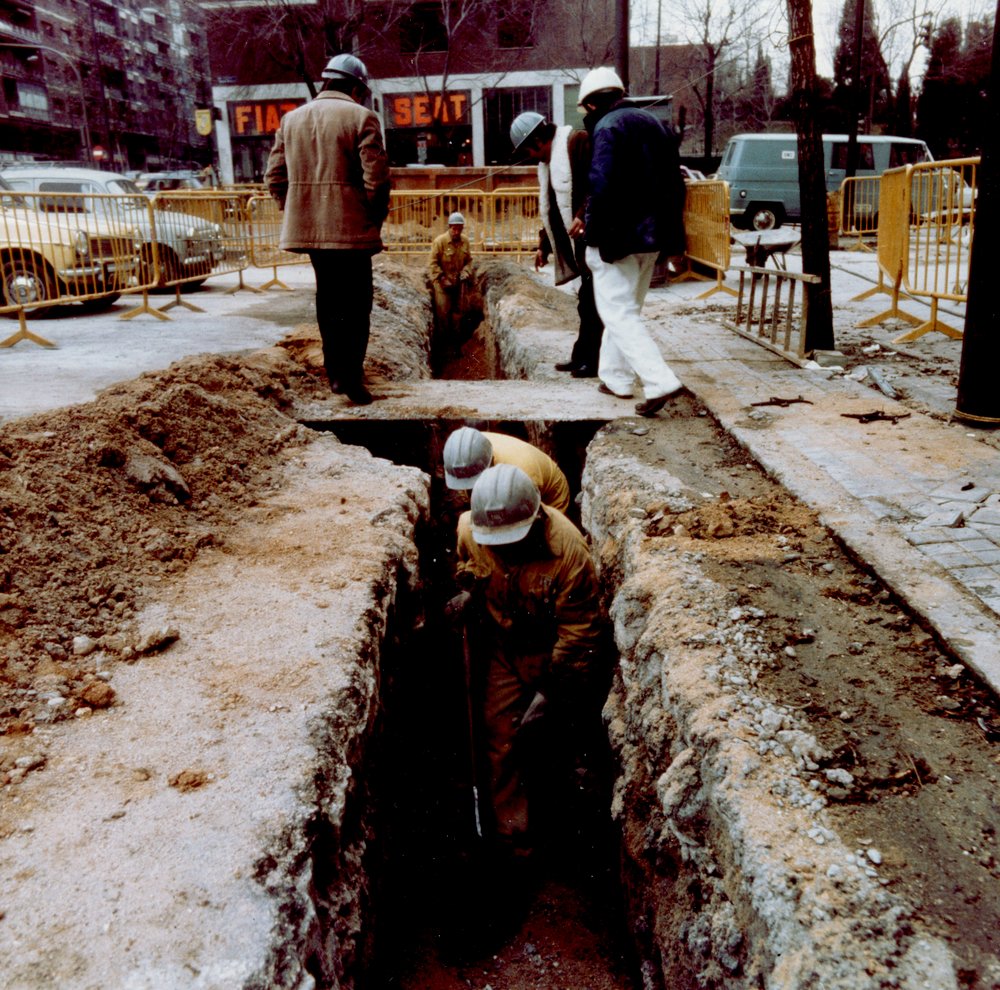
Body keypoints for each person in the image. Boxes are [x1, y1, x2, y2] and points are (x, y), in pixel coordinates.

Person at [452, 464, 606, 861]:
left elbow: (579, 632)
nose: (503, 550)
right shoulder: (470, 529)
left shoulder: (569, 552)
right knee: (499, 739)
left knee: (561, 742)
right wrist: (470, 590)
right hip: (504, 648)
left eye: (512, 540)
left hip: (554, 654)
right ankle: (514, 844)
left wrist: (550, 693)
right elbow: (467, 567)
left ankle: (577, 837)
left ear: (537, 517)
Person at [264, 53, 390, 406]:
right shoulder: (362, 117)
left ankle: (335, 374)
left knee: (329, 300)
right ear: (354, 86)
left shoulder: (291, 120)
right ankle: (352, 377)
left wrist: (297, 211)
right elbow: (376, 180)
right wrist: (372, 218)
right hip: (351, 234)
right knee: (357, 303)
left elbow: (274, 177)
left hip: (312, 235)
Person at [577, 67, 689, 418]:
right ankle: (616, 378)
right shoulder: (655, 124)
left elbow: (602, 185)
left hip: (618, 237)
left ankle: (660, 381)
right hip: (651, 237)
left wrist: (592, 237)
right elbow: (676, 186)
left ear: (592, 105)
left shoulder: (608, 128)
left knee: (618, 311)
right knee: (625, 309)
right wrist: (675, 240)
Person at [509, 111, 603, 378]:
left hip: (592, 237)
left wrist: (583, 215)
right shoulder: (549, 164)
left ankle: (593, 361)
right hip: (578, 243)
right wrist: (544, 246)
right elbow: (550, 211)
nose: (530, 156)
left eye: (528, 149)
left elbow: (597, 184)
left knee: (593, 303)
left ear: (538, 139)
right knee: (586, 302)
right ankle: (582, 356)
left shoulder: (577, 143)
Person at [442, 426, 571, 514]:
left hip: (549, 498)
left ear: (491, 461)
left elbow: (521, 517)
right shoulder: (471, 448)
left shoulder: (523, 472)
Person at [428, 212, 475, 365]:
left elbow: (469, 262)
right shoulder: (439, 242)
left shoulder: (465, 241)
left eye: (459, 229)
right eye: (454, 229)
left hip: (458, 284)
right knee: (443, 315)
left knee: (459, 315)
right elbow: (432, 264)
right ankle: (444, 350)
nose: (457, 232)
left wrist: (466, 272)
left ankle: (457, 347)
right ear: (449, 227)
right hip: (442, 285)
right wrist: (442, 278)